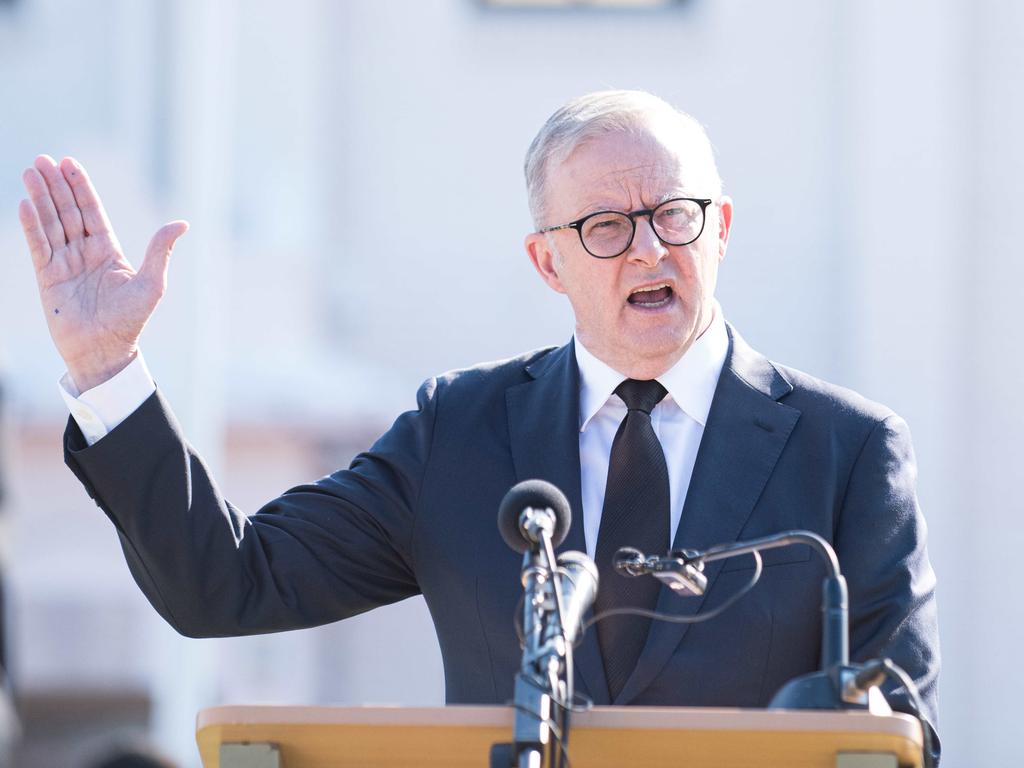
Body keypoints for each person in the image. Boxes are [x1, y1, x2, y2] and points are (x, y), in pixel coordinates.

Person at [18, 91, 939, 750]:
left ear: (723, 227)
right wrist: (108, 370)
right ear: (548, 262)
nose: (652, 247)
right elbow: (226, 585)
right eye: (608, 227)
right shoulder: (457, 433)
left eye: (676, 215)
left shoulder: (846, 449)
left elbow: (903, 728)